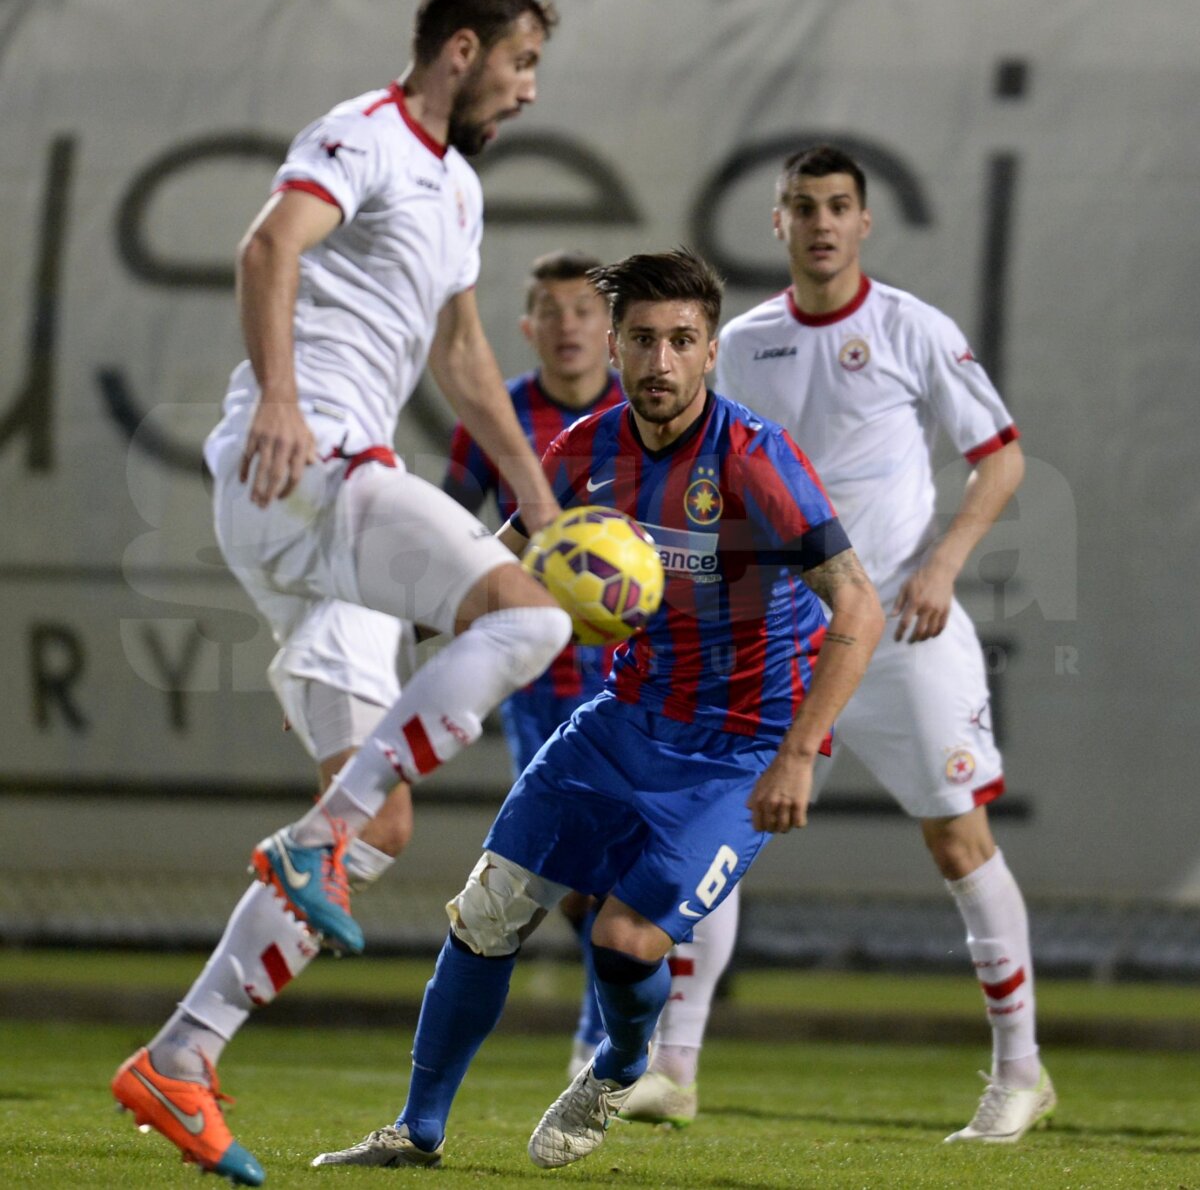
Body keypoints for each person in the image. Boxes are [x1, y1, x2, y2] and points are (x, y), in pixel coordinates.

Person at [110, 0, 571, 1185]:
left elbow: (463, 354)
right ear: (461, 50)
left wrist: (543, 504)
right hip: (303, 464)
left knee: (383, 820)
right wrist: (278, 393)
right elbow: (269, 246)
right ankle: (311, 841)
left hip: (317, 506)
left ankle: (182, 1055)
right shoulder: (365, 130)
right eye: (520, 61)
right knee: (529, 617)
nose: (529, 88)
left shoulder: (457, 187)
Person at [309, 249, 885, 1171]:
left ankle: (618, 1065)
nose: (662, 362)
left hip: (742, 747)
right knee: (488, 911)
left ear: (710, 352)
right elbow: (492, 571)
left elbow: (857, 603)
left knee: (622, 942)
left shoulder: (754, 459)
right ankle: (416, 1129)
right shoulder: (582, 450)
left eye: (683, 341)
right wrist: (369, 642)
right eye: (643, 340)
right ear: (615, 346)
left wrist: (799, 753)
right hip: (623, 717)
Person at [627, 143, 1053, 1145]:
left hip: (900, 625)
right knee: (717, 833)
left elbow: (1001, 459)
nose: (821, 222)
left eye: (837, 205)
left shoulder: (911, 327)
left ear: (864, 221)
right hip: (778, 638)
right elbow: (706, 474)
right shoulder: (742, 343)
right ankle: (673, 1069)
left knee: (957, 837)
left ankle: (1021, 1072)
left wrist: (943, 564)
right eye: (802, 206)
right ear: (777, 223)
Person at [441, 250, 741, 1084]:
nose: (569, 326)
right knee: (568, 875)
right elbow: (454, 532)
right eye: (554, 311)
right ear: (530, 327)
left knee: (629, 870)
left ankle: (611, 1038)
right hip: (539, 680)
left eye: (583, 309)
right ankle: (611, 1033)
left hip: (638, 682)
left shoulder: (655, 413)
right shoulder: (505, 417)